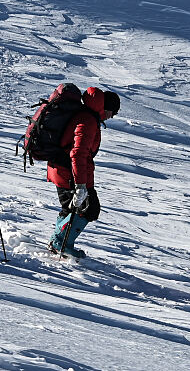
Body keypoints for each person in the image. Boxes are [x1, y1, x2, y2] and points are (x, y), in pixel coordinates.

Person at [47, 87, 120, 258]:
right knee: (89, 209)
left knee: (70, 208)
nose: (111, 117)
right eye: (113, 113)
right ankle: (61, 243)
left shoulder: (87, 116)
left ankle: (57, 242)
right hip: (69, 172)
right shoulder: (88, 120)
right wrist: (80, 185)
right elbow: (78, 153)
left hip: (63, 169)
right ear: (106, 109)